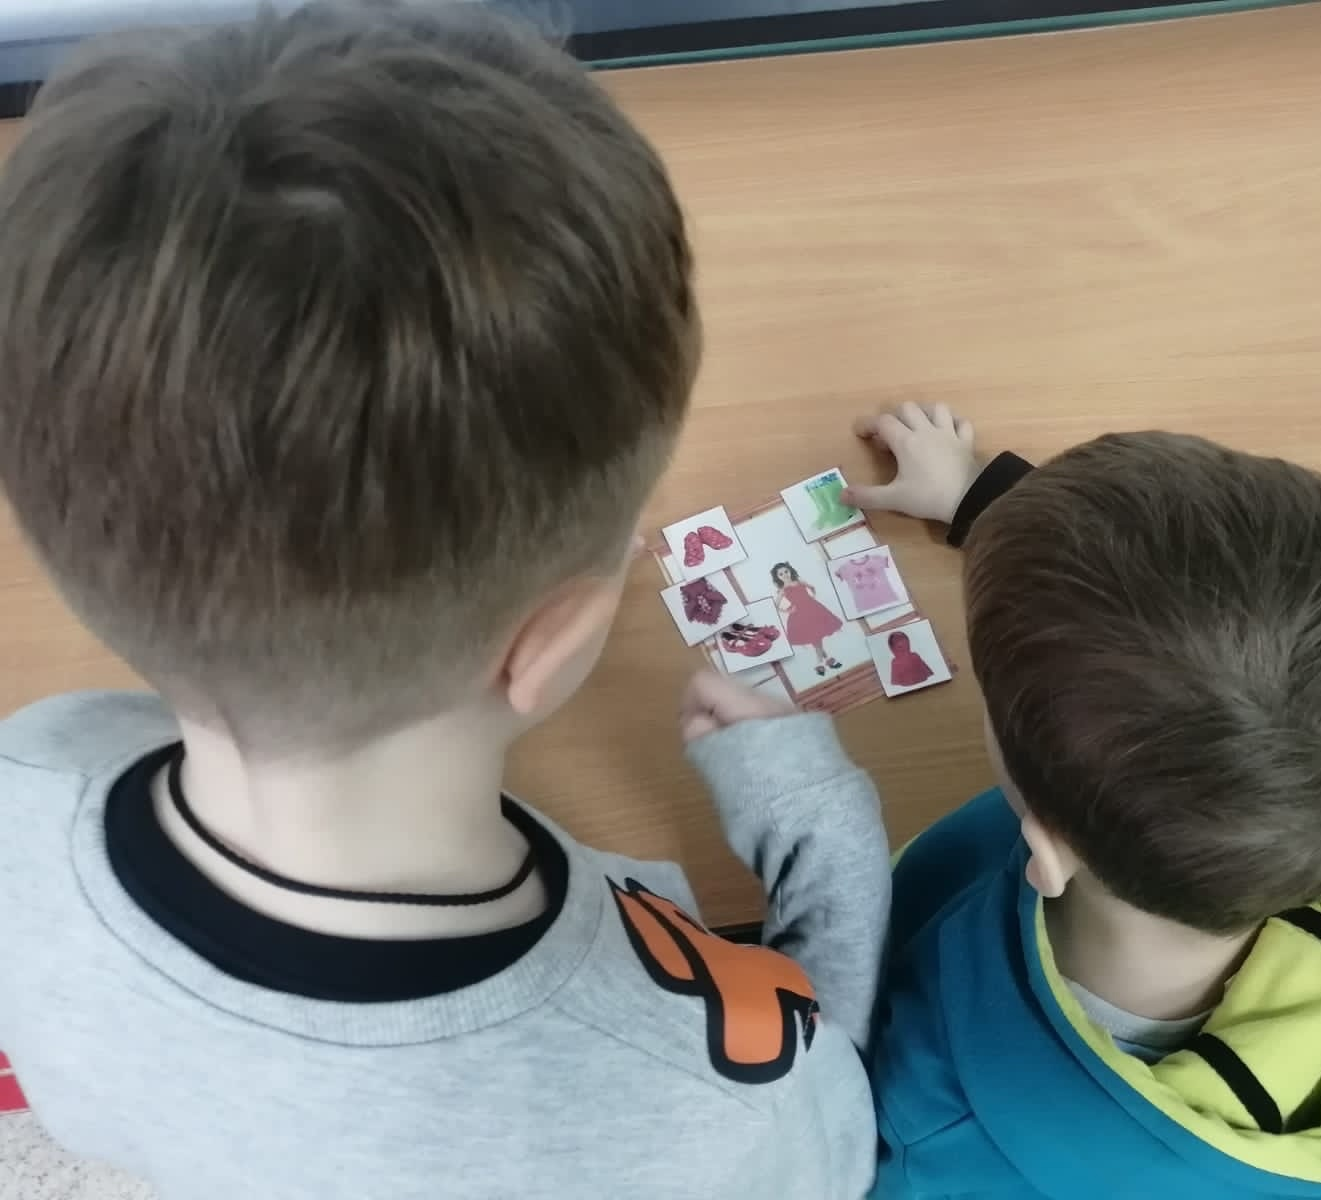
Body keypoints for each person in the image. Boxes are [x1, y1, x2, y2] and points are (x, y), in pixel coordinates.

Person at [0, 6, 888, 1198]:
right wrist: (821, 832)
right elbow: (822, 1122)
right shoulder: (699, 1107)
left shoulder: (29, 772)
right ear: (550, 643)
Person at [842, 403, 1321, 1200]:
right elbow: (1195, 638)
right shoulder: (1317, 802)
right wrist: (987, 500)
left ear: (1046, 850)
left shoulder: (933, 1134)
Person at [772, 562, 846, 675]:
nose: (785, 575)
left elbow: (812, 587)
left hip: (814, 610)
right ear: (778, 577)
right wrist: (788, 610)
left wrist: (812, 597)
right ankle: (820, 663)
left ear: (790, 571)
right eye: (781, 574)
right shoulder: (783, 590)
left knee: (816, 637)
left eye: (786, 571)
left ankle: (826, 661)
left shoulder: (799, 582)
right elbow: (775, 606)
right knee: (815, 637)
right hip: (800, 615)